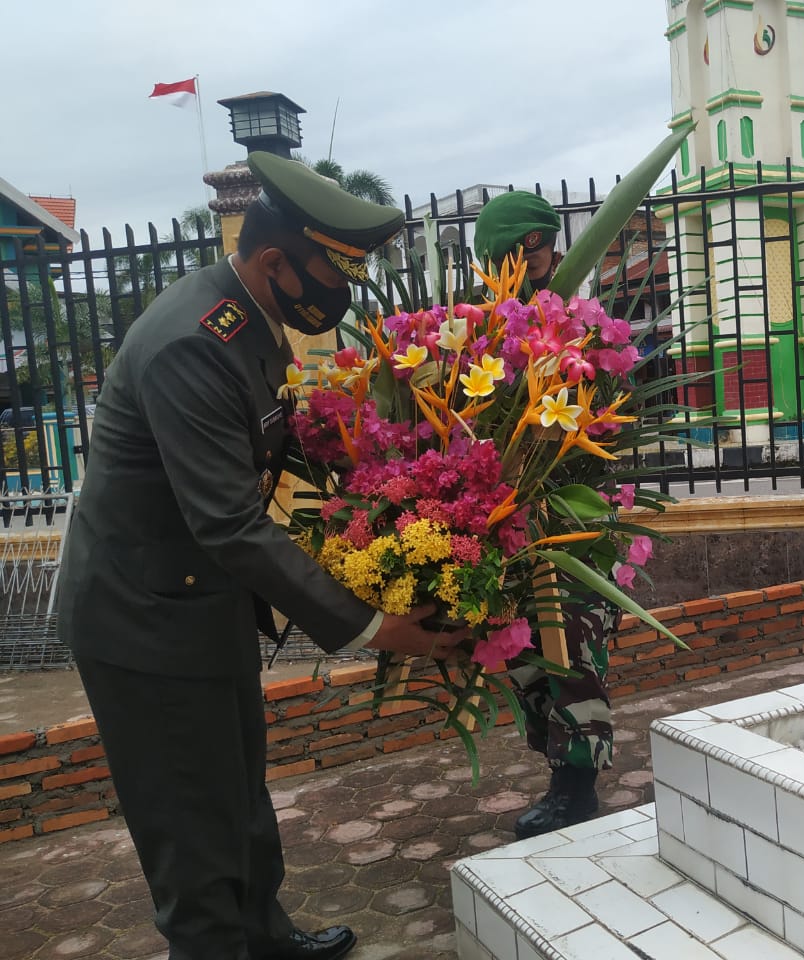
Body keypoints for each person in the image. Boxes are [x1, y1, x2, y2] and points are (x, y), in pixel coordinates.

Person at [57, 151, 462, 960]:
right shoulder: (195, 342)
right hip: (141, 622)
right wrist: (372, 627)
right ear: (274, 261)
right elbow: (230, 523)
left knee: (238, 796)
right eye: (329, 273)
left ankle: (265, 937)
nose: (339, 295)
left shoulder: (242, 314)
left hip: (197, 605)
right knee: (190, 824)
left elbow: (264, 458)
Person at [472, 191, 617, 839]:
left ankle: (577, 784)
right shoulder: (483, 330)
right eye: (524, 247)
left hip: (572, 518)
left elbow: (606, 410)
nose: (541, 258)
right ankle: (557, 768)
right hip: (511, 519)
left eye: (546, 244)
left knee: (575, 649)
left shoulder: (576, 321)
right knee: (527, 651)